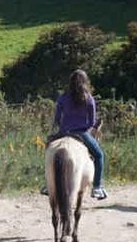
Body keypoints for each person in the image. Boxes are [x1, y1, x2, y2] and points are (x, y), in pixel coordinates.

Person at [41, 70, 108, 200]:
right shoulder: (88, 98)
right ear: (85, 82)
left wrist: (63, 127)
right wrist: (85, 127)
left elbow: (57, 118)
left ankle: (47, 184)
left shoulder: (63, 97)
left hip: (64, 132)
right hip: (82, 133)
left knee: (48, 150)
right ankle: (97, 187)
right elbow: (92, 121)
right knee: (99, 156)